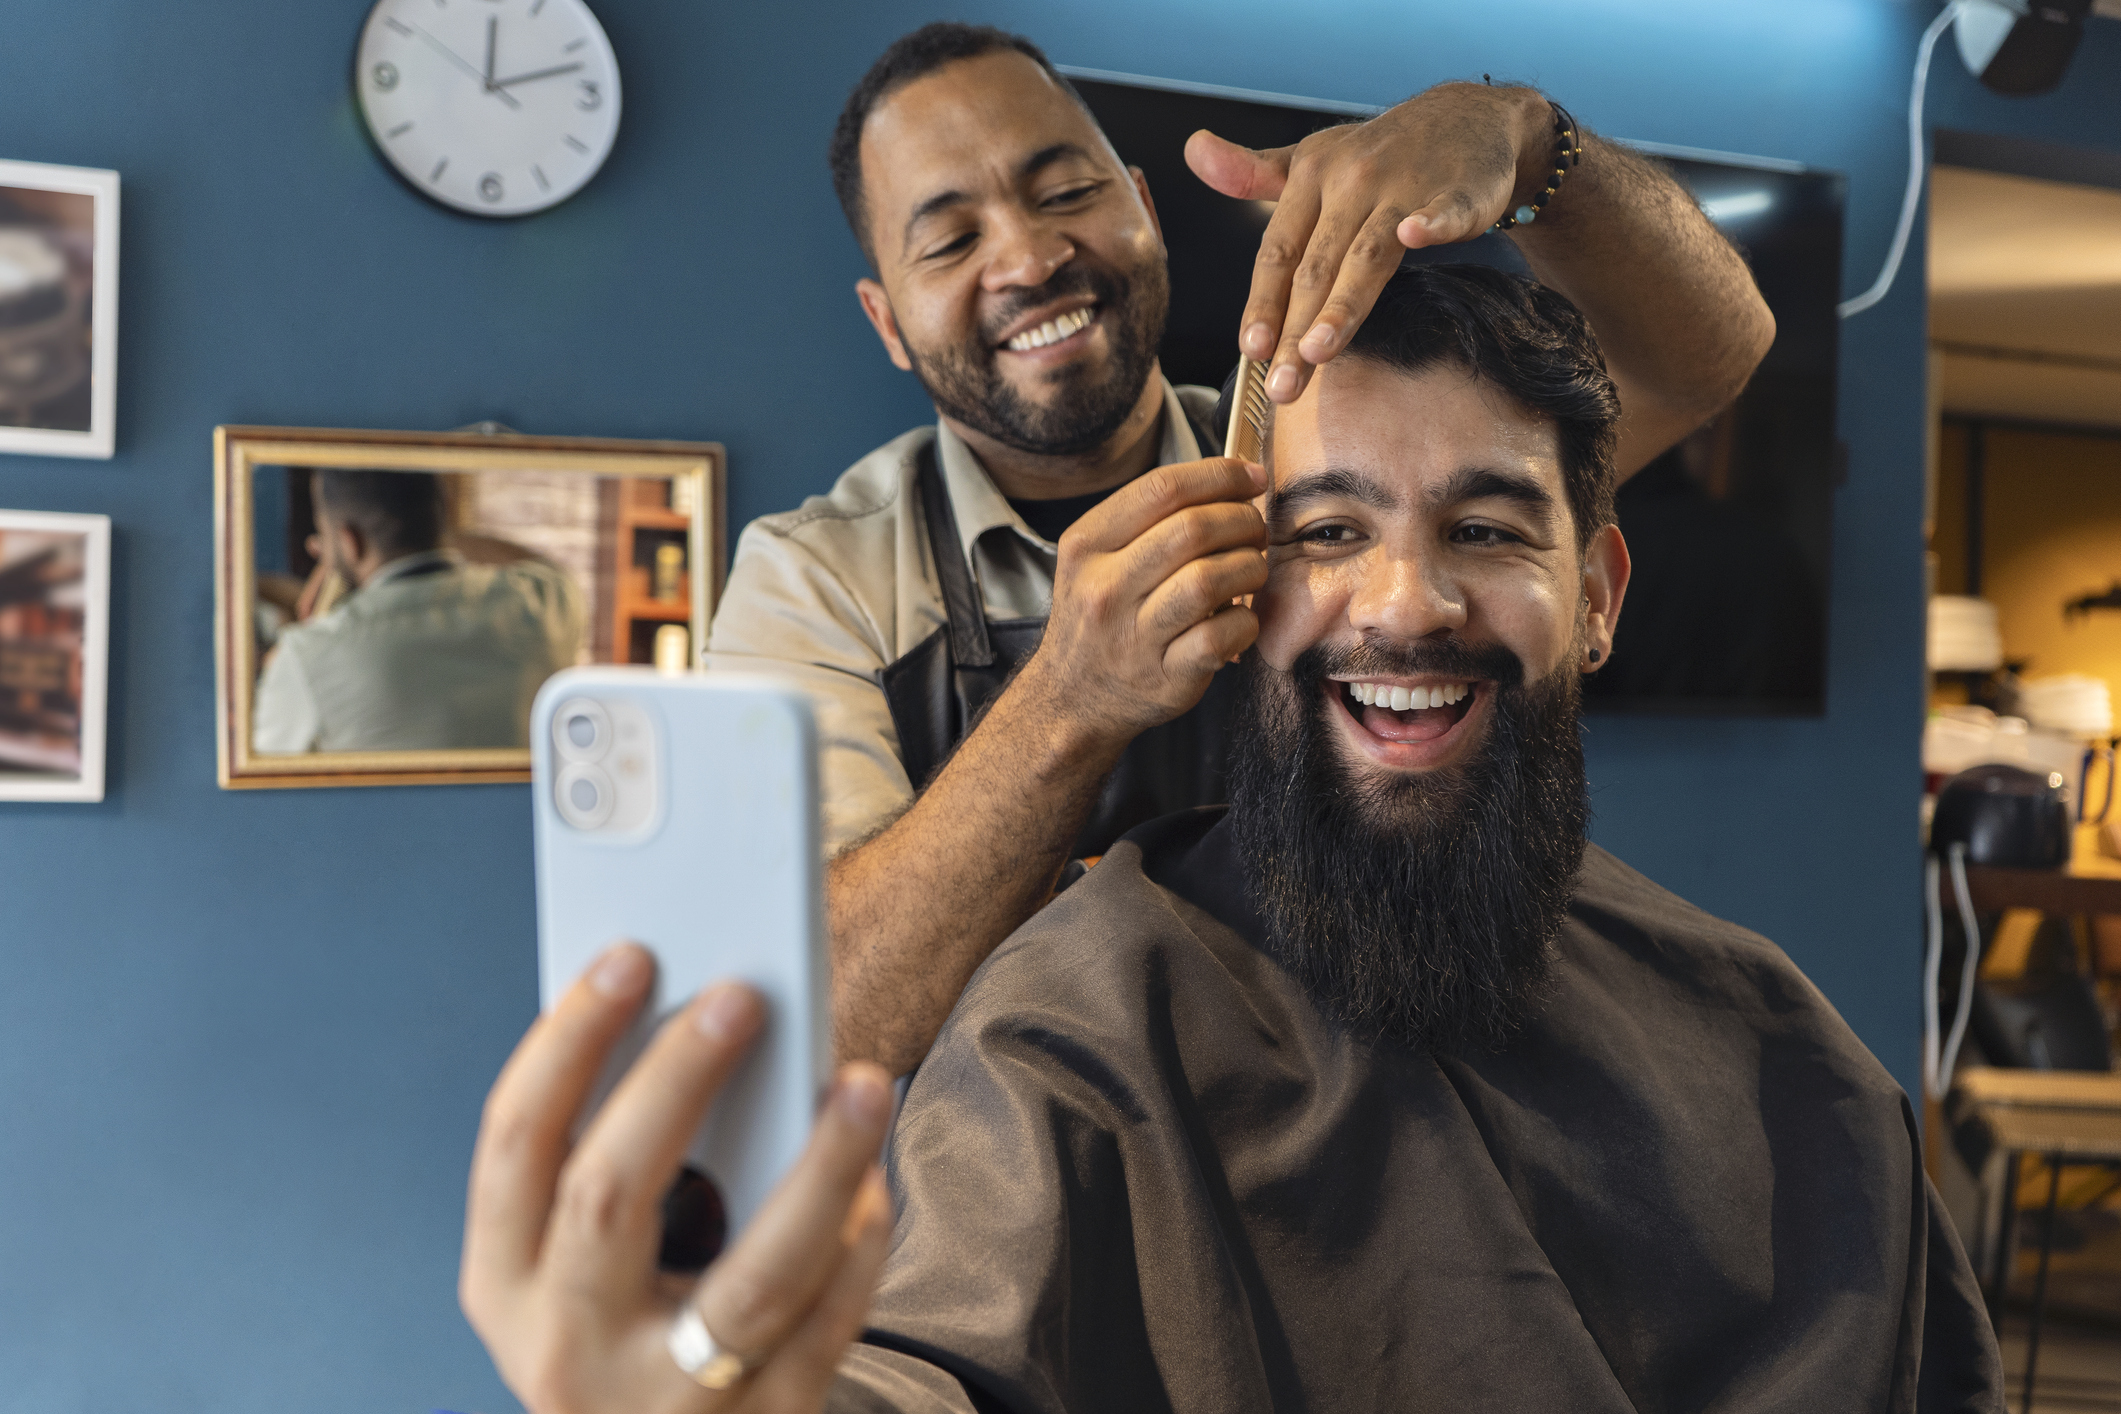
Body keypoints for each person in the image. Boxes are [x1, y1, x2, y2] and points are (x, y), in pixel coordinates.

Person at [461, 265, 2004, 1412]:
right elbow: (934, 1367)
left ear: (1594, 595)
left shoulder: (1779, 1040)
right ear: (1235, 594)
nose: (1406, 601)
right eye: (1326, 532)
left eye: (1484, 528)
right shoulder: (1078, 1027)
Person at [704, 23, 1778, 1075]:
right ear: (887, 321)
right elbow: (828, 1017)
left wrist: (1533, 148)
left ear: (1145, 207)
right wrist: (1067, 702)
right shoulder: (816, 581)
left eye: (1068, 191)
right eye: (949, 241)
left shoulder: (1323, 437)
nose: (1029, 258)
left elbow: (1711, 361)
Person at [253, 469, 584, 753]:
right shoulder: (542, 603)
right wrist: (437, 533)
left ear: (350, 541)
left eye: (323, 536)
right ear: (439, 517)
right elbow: (545, 568)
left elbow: (260, 787)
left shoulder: (307, 656)